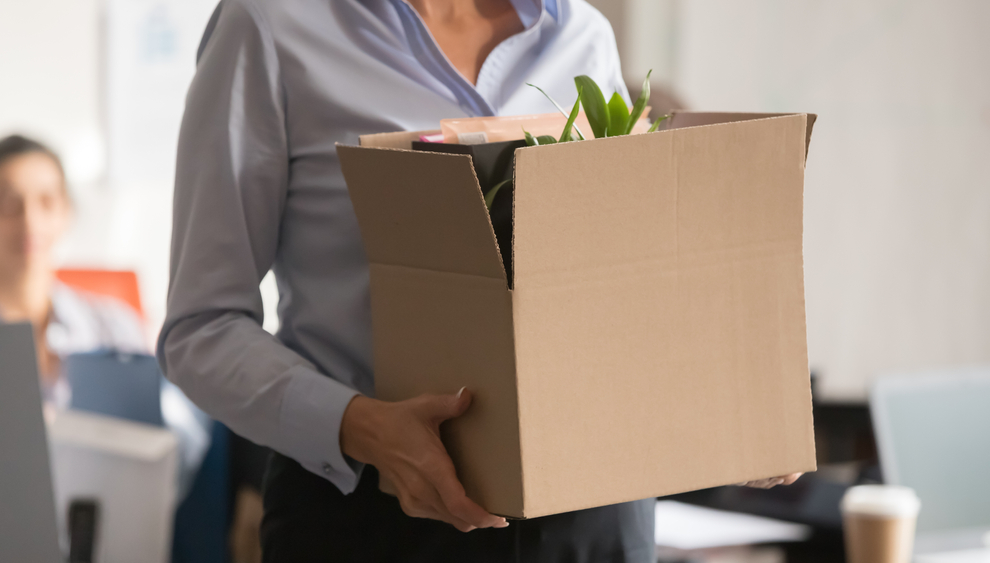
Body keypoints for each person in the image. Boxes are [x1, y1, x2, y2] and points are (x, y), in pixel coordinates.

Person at [159, 1, 801, 561]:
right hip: (373, 519)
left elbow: (622, 283)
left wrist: (729, 396)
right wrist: (361, 427)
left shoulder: (582, 33)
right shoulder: (270, 26)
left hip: (594, 521)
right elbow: (201, 329)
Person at [0, 134, 210, 498]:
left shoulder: (114, 325)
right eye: (9, 203)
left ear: (66, 211)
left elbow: (182, 439)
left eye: (47, 202)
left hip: (108, 516)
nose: (30, 221)